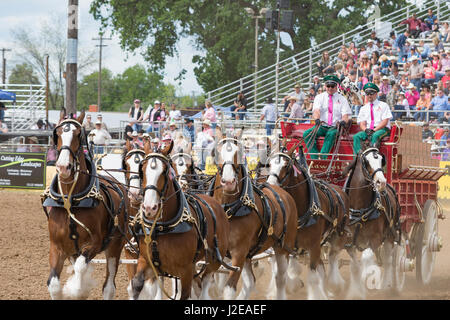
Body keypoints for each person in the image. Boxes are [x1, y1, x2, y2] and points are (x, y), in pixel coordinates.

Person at [303, 75, 352, 160]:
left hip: (334, 127)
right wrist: (317, 119)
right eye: (328, 86)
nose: (330, 88)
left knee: (331, 134)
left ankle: (322, 158)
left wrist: (343, 121)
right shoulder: (319, 97)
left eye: (332, 86)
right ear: (325, 86)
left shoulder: (342, 99)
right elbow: (316, 110)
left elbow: (345, 115)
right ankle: (314, 158)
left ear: (336, 86)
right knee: (307, 134)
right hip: (322, 126)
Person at [353, 83, 393, 155]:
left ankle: (374, 156)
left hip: (382, 129)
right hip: (369, 130)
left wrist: (374, 130)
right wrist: (366, 130)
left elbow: (385, 122)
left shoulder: (383, 105)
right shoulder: (363, 108)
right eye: (367, 94)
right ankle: (358, 158)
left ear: (376, 94)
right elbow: (362, 123)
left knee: (375, 135)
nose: (369, 95)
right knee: (356, 137)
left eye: (371, 93)